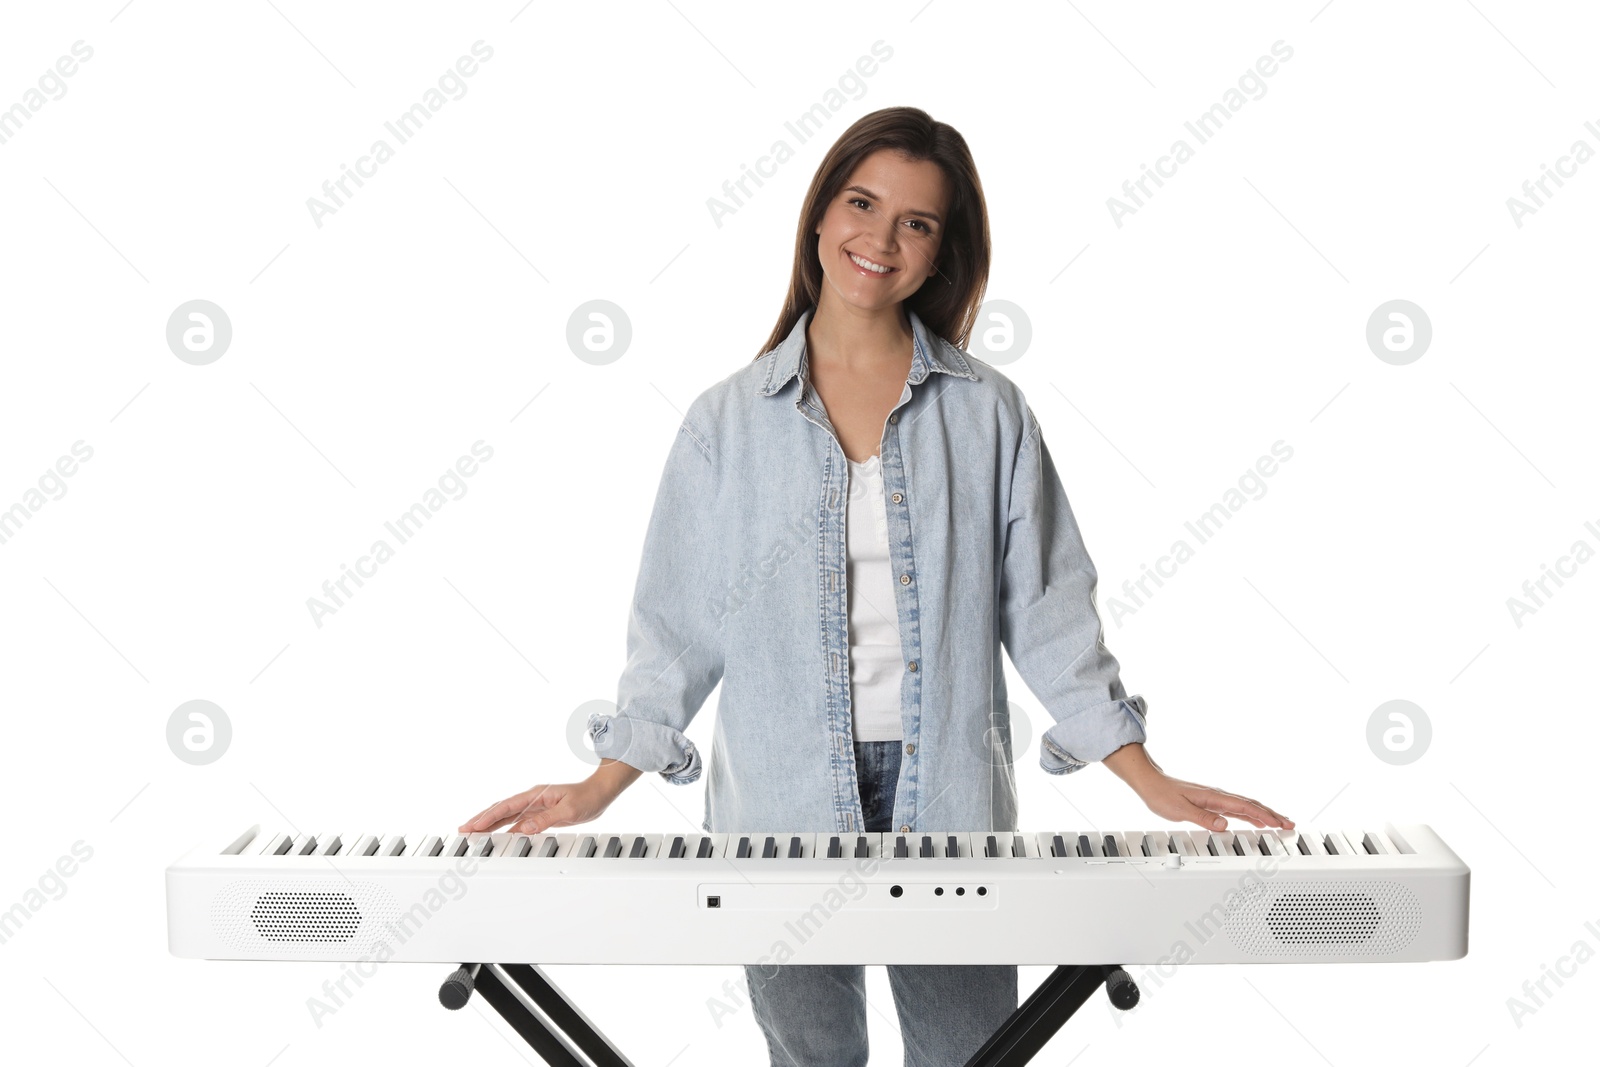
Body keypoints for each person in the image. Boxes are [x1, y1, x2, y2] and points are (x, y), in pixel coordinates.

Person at [462, 106, 1294, 1067]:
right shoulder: (725, 423)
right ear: (818, 217)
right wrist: (599, 786)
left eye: (918, 222)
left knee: (968, 1055)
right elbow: (677, 630)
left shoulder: (989, 415)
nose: (881, 238)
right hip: (774, 797)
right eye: (861, 204)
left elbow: (1052, 613)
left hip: (945, 792)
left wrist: (1148, 778)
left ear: (941, 254)